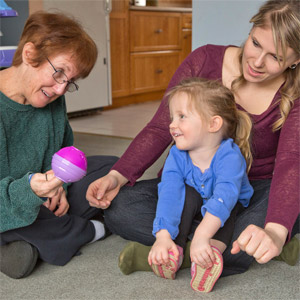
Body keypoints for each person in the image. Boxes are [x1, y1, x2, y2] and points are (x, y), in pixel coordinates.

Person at [86, 0, 300, 277]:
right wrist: (117, 175)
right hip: (190, 183)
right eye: (256, 43)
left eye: (276, 57)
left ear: (296, 60)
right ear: (251, 30)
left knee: (279, 214)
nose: (257, 62)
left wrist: (274, 229)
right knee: (120, 209)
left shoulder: (294, 93)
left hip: (251, 190)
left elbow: (291, 162)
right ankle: (214, 249)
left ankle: (182, 252)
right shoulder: (205, 59)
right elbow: (160, 127)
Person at [0, 11, 118, 279]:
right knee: (25, 216)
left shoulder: (52, 98)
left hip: (41, 195)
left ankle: (23, 240)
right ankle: (90, 230)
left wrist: (59, 186)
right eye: (59, 73)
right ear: (30, 54)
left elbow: (64, 151)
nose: (62, 89)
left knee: (114, 170)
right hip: (8, 199)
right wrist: (31, 190)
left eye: (71, 81)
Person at [148, 78, 254, 293]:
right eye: (172, 117)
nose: (171, 124)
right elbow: (169, 193)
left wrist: (202, 237)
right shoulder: (177, 155)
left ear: (213, 124)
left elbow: (224, 198)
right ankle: (174, 249)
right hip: (194, 202)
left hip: (224, 207)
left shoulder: (229, 156)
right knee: (182, 194)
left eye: (182, 117)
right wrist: (162, 236)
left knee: (228, 208)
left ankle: (209, 254)